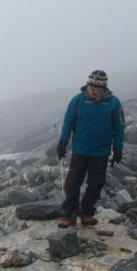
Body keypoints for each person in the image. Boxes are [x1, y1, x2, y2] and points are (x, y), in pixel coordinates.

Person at [57, 70, 125, 228]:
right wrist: (63, 142)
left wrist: (118, 148)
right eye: (90, 89)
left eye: (95, 90)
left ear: (103, 88)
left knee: (95, 185)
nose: (92, 92)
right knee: (72, 184)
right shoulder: (78, 100)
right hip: (80, 149)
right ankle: (70, 214)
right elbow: (68, 122)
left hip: (101, 152)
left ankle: (87, 213)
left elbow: (119, 127)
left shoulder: (114, 103)